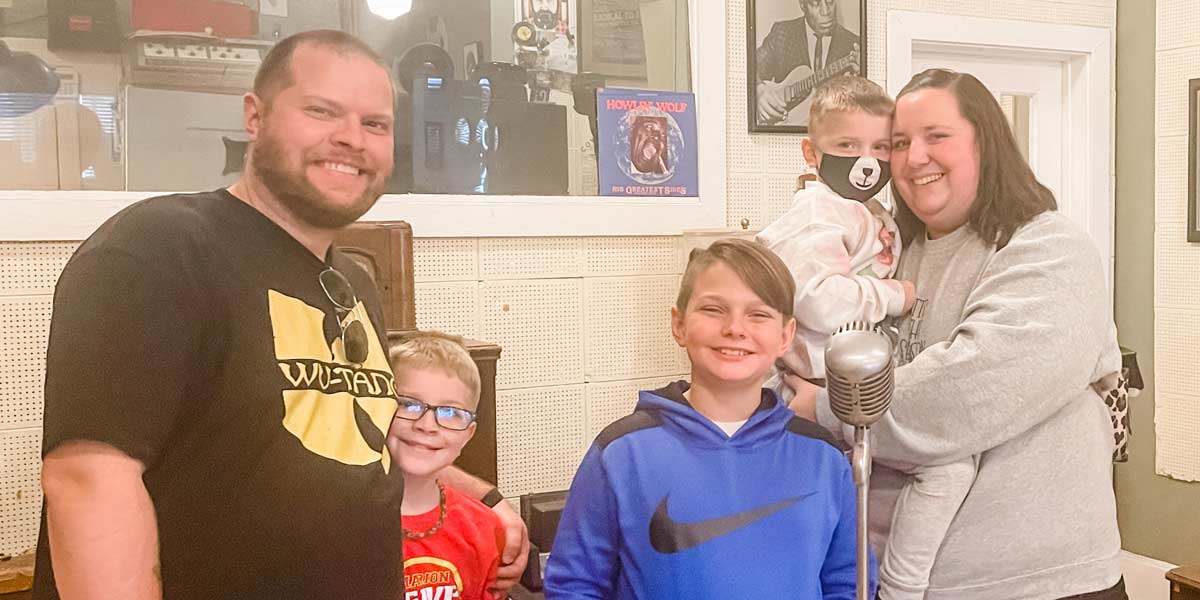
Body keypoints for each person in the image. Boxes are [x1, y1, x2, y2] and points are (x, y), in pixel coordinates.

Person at [36, 29, 526, 600]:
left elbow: (353, 451)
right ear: (255, 116)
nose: (351, 139)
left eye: (375, 124)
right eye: (322, 111)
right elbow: (89, 478)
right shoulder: (158, 248)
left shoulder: (354, 283)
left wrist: (483, 499)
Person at [792, 68, 1127, 600]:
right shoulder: (890, 256)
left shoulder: (1048, 247)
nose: (914, 156)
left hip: (1036, 586)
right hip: (882, 576)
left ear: (986, 144)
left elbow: (968, 392)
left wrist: (827, 408)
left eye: (936, 137)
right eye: (898, 143)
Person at [543, 238, 872, 599]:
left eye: (758, 314)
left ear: (785, 336)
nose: (735, 328)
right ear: (679, 324)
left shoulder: (823, 457)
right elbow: (575, 585)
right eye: (713, 309)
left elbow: (849, 583)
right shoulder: (622, 452)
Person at [757, 74, 975, 600]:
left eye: (881, 146)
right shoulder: (815, 211)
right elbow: (817, 299)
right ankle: (897, 588)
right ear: (813, 152)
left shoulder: (869, 211)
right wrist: (895, 297)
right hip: (811, 383)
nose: (867, 159)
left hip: (853, 383)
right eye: (848, 146)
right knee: (943, 468)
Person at [389, 332, 505, 600]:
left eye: (451, 412)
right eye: (408, 404)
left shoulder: (483, 527)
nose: (426, 425)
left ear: (468, 434)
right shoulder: (343, 521)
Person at [754, 0, 861, 127]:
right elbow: (750, 67)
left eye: (830, 2)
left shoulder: (855, 45)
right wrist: (758, 91)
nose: (826, 11)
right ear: (802, 5)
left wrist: (862, 75)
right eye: (815, 3)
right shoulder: (782, 34)